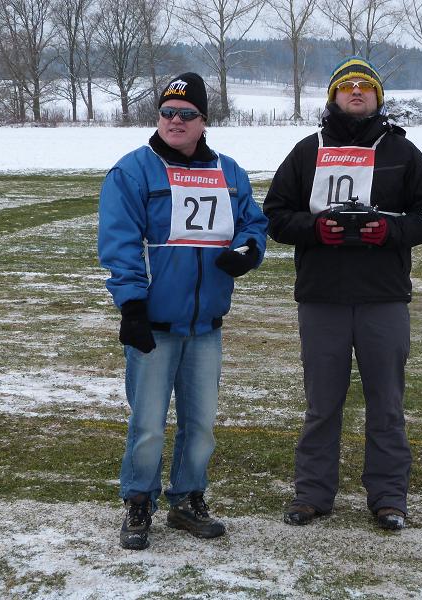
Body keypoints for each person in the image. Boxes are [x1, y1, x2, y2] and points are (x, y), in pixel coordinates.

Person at [263, 56, 422, 531]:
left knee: (386, 403)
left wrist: (388, 230)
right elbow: (275, 215)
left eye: (366, 85)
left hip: (383, 297)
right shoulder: (308, 150)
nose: (357, 91)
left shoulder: (402, 151)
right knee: (322, 404)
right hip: (322, 297)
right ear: (334, 96)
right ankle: (312, 494)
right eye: (347, 85)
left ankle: (388, 497)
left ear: (378, 97)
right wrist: (315, 229)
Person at [98, 72, 268, 550]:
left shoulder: (229, 172)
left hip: (205, 326)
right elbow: (120, 244)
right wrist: (132, 307)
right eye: (167, 112)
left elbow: (254, 223)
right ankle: (139, 501)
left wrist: (248, 250)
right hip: (153, 324)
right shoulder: (133, 171)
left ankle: (188, 499)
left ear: (204, 120)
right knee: (148, 425)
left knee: (201, 426)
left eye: (186, 113)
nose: (175, 120)